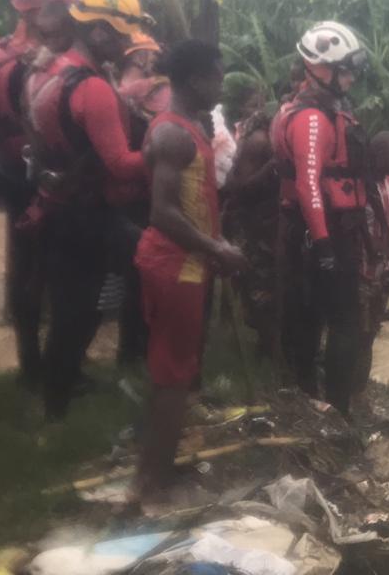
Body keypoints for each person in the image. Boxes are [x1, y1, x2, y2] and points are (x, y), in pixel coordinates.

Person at [131, 40, 248, 507]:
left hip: (188, 263)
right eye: (217, 76)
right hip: (174, 266)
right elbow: (162, 212)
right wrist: (214, 247)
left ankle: (158, 468)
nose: (221, 85)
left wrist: (211, 250)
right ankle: (152, 483)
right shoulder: (173, 135)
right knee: (173, 377)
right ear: (198, 79)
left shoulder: (190, 129)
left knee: (176, 373)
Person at [29, 0, 151, 420]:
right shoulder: (94, 88)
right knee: (78, 311)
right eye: (120, 34)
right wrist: (161, 150)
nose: (124, 44)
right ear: (98, 30)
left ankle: (59, 388)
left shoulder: (53, 69)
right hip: (85, 212)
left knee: (71, 307)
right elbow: (120, 163)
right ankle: (56, 405)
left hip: (59, 204)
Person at [0, 0, 76, 385]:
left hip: (12, 172)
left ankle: (31, 362)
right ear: (40, 11)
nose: (66, 19)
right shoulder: (33, 64)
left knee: (23, 263)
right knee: (46, 268)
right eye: (60, 9)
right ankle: (42, 368)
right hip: (42, 175)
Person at [273, 21, 373, 415]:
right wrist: (325, 243)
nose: (350, 78)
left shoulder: (322, 109)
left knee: (311, 316)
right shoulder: (312, 119)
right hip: (321, 232)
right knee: (344, 322)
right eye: (344, 70)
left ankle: (311, 399)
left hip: (321, 230)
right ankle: (335, 405)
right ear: (321, 68)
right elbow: (308, 184)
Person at [222, 103, 283, 361]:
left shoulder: (272, 140)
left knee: (267, 291)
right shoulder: (260, 141)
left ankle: (267, 352)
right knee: (260, 292)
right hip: (249, 225)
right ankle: (268, 356)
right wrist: (271, 168)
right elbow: (238, 188)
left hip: (264, 225)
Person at [353, 131, 389, 405]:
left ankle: (360, 390)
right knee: (356, 331)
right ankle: (346, 390)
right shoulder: (360, 185)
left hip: (382, 272)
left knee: (371, 332)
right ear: (378, 156)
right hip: (362, 271)